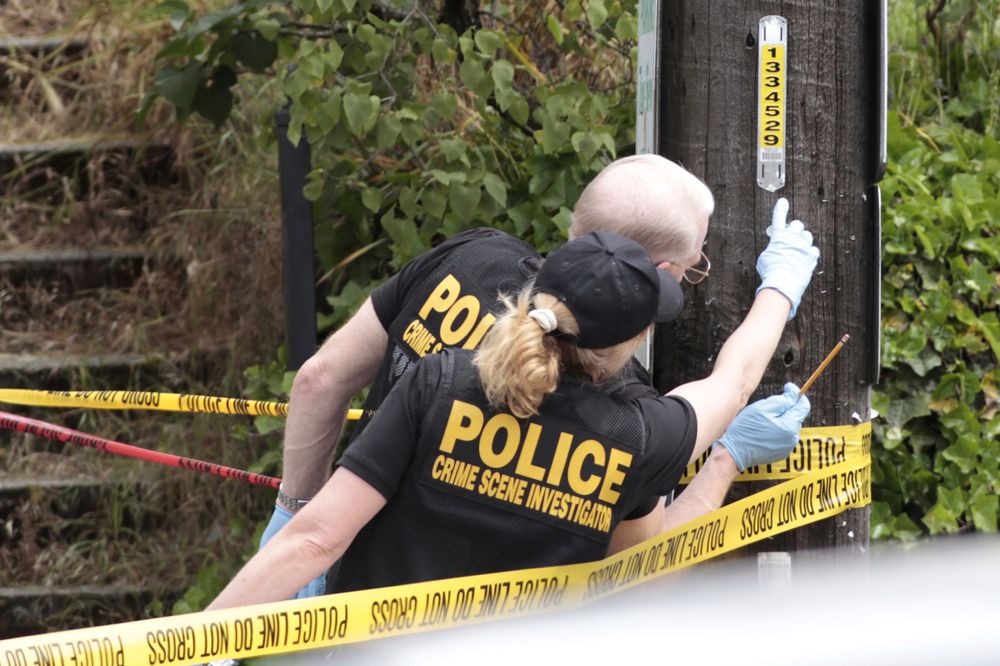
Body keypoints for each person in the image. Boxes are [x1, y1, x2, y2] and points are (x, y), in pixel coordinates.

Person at [261, 154, 815, 596]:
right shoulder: (630, 421)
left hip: (342, 611)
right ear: (657, 280)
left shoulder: (463, 271)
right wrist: (726, 458)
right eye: (693, 269)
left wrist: (293, 522)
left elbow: (319, 380)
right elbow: (639, 574)